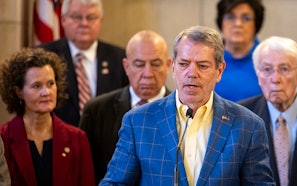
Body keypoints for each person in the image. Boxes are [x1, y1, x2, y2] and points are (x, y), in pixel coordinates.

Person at [99, 25, 275, 185]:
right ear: (173, 67)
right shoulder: (138, 121)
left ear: (219, 71)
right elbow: (115, 183)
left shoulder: (248, 126)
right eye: (184, 64)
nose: (192, 73)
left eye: (203, 66)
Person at [79, 30, 172, 184]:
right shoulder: (97, 111)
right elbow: (85, 172)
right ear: (126, 66)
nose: (148, 73)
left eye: (156, 64)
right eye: (139, 64)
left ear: (169, 65)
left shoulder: (182, 110)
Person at [239, 36, 297, 186]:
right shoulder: (242, 117)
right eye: (267, 69)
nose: (275, 78)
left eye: (284, 69)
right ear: (258, 76)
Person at [0, 48, 95, 186]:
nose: (46, 92)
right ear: (19, 92)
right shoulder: (3, 138)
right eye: (37, 86)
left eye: (51, 83)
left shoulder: (77, 138)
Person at [38, 0, 129, 126]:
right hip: (59, 140)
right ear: (63, 20)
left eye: (91, 17)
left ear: (101, 21)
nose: (84, 23)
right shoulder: (44, 56)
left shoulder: (120, 58)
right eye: (76, 17)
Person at [214, 0, 264, 102]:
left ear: (256, 24)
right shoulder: (207, 59)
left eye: (246, 18)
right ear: (221, 22)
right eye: (230, 17)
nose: (238, 24)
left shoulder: (269, 60)